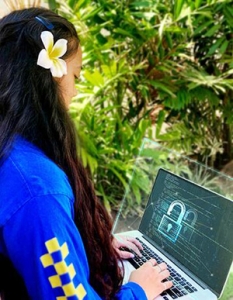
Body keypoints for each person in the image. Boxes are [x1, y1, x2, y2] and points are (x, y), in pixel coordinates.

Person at [0, 7, 172, 300]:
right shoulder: (39, 190)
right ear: (51, 78)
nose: (76, 92)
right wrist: (139, 290)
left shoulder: (11, 150)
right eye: (76, 77)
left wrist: (82, 243)